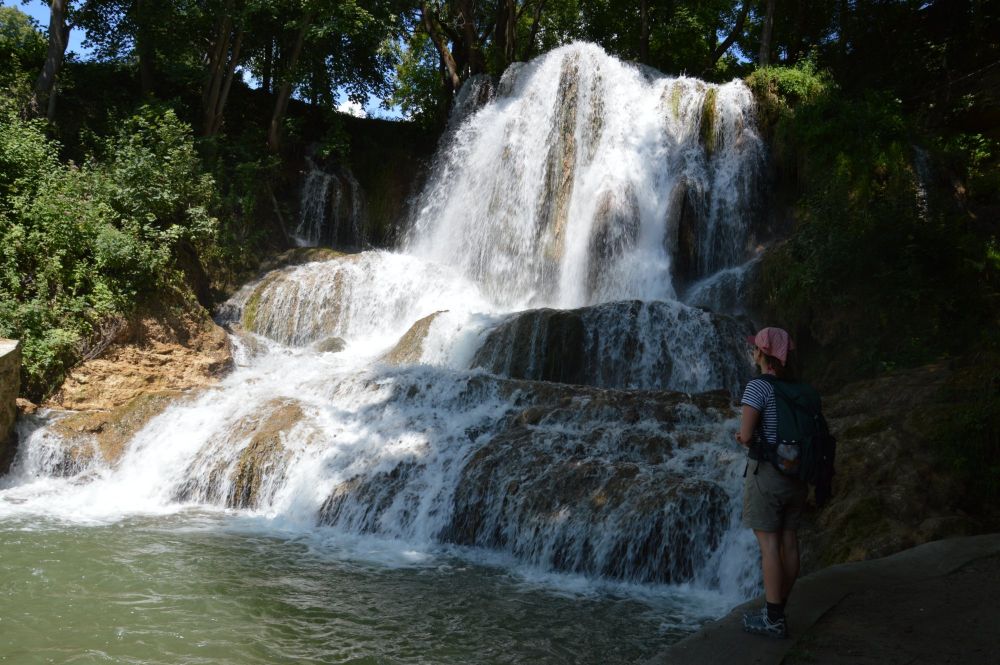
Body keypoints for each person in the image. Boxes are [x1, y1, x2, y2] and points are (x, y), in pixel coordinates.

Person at [734, 326, 806, 639]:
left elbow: (747, 436)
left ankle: (774, 619)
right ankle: (777, 608)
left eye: (755, 349)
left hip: (769, 474)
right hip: (798, 475)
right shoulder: (799, 388)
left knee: (769, 545)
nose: (752, 352)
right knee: (789, 541)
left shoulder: (758, 387)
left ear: (763, 354)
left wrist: (741, 438)